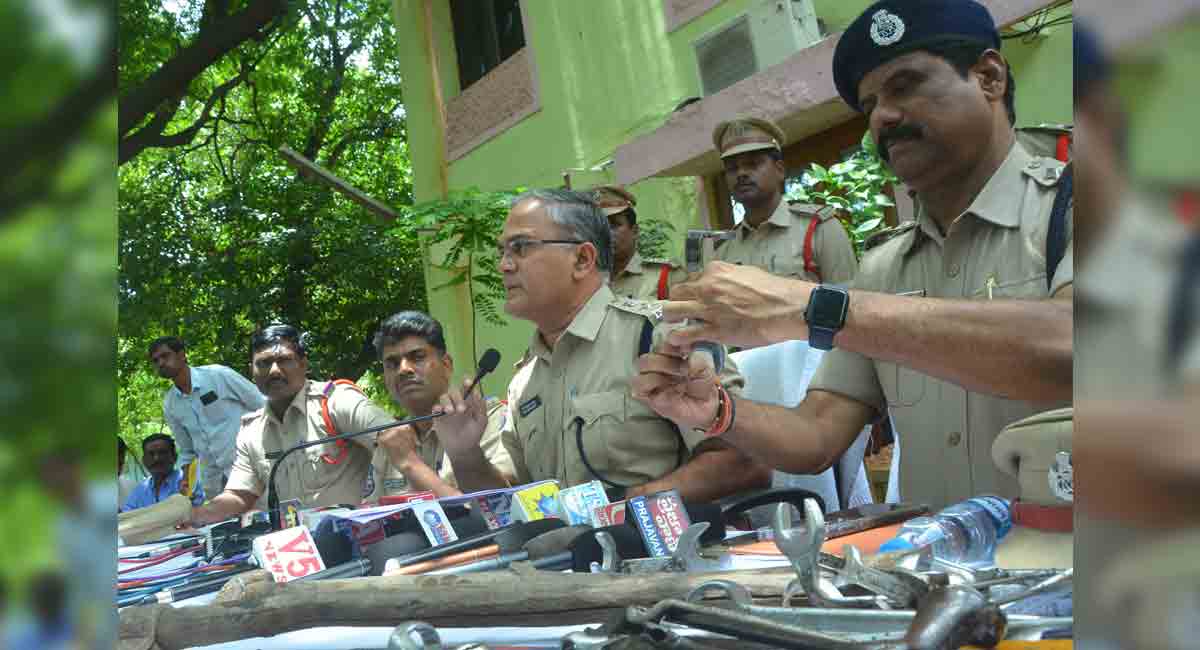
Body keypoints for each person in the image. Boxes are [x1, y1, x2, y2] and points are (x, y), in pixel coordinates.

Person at [635, 0, 1073, 511]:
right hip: (946, 559)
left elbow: (1072, 345)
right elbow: (816, 436)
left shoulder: (1081, 203)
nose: (883, 116)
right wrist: (716, 411)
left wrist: (814, 308)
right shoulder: (885, 267)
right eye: (870, 105)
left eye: (906, 85)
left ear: (989, 78)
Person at [436, 189, 770, 501]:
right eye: (503, 251)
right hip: (562, 546)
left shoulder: (657, 337)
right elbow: (511, 502)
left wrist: (625, 509)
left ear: (582, 259)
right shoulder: (524, 380)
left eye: (521, 247)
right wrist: (465, 454)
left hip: (657, 542)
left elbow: (745, 461)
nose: (504, 265)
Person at [189, 325, 411, 525]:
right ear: (252, 371)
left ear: (303, 364)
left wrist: (387, 508)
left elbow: (397, 438)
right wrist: (195, 515)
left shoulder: (335, 402)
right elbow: (239, 495)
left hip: (357, 538)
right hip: (294, 547)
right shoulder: (252, 431)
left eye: (284, 360)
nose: (274, 371)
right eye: (264, 363)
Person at [366, 311, 516, 499]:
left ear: (446, 365)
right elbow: (372, 513)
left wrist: (410, 464)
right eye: (392, 364)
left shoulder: (486, 418)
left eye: (417, 357)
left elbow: (500, 504)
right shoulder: (392, 439)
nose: (403, 369)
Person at [712, 117, 859, 286]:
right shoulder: (724, 251)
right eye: (732, 168)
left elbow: (850, 299)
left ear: (780, 170)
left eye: (752, 164)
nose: (741, 173)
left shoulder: (819, 229)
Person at [149, 336, 265, 500]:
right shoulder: (171, 403)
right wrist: (186, 480)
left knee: (266, 513)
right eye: (155, 360)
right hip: (215, 484)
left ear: (182, 355)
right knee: (226, 517)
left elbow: (263, 405)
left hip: (250, 467)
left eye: (165, 356)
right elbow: (187, 450)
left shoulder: (218, 375)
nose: (161, 363)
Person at [592, 185, 687, 301]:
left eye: (614, 225)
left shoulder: (665, 275)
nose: (606, 233)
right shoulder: (583, 280)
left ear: (635, 231)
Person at [120, 434, 205, 512]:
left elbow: (195, 513)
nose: (156, 458)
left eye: (162, 453)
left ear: (174, 457)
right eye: (151, 454)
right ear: (144, 460)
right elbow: (127, 516)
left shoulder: (188, 483)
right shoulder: (140, 490)